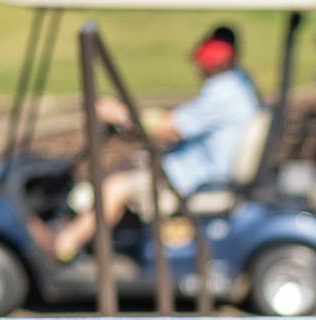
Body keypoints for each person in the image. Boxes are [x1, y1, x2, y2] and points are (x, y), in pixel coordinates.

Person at [39, 26, 260, 262]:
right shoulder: (238, 82)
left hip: (194, 177)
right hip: (192, 167)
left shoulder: (223, 92)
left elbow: (168, 127)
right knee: (127, 163)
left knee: (114, 188)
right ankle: (92, 233)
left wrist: (122, 115)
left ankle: (63, 247)